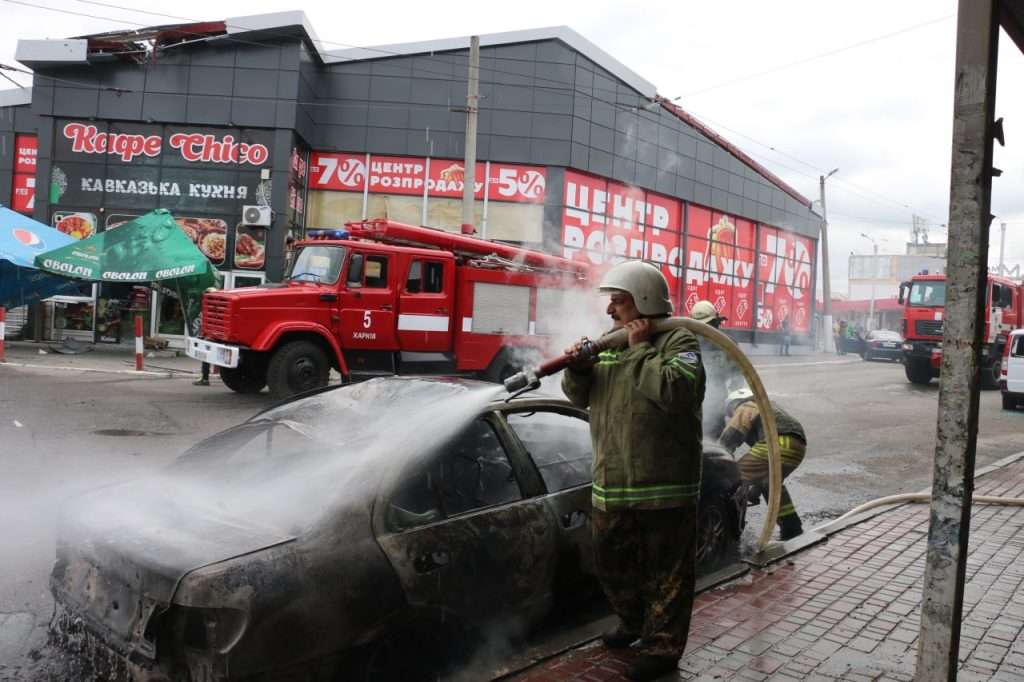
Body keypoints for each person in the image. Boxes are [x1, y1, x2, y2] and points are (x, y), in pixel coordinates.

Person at [561, 260, 705, 682]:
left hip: (664, 487)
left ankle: (662, 648)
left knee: (668, 574)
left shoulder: (680, 340)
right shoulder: (609, 342)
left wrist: (641, 349)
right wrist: (579, 368)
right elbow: (578, 399)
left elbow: (675, 392)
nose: (610, 311)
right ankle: (633, 621)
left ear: (642, 301)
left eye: (618, 303)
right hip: (613, 486)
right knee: (613, 565)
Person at [718, 388, 807, 541]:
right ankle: (791, 527)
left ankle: (726, 526)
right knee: (770, 485)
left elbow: (732, 435)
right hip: (797, 448)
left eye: (730, 410)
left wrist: (719, 455)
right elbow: (761, 470)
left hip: (777, 445)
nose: (732, 414)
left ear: (734, 402)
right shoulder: (767, 406)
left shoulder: (747, 405)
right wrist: (756, 489)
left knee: (731, 476)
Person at [689, 299, 739, 439]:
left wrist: (735, 402)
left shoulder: (727, 344)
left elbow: (737, 375)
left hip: (714, 400)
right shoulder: (685, 343)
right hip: (693, 398)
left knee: (712, 440)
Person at [192, 286, 218, 386]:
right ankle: (204, 376)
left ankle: (205, 378)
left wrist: (208, 335)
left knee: (205, 356)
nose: (204, 298)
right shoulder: (212, 305)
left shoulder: (212, 306)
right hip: (208, 334)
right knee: (205, 357)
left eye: (205, 296)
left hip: (210, 335)